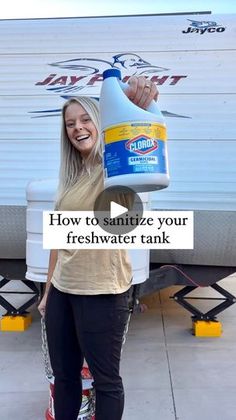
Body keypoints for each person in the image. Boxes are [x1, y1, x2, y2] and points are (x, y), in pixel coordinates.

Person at [38, 75, 158, 420]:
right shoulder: (72, 177)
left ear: (102, 122)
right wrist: (47, 292)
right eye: (70, 124)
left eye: (86, 119)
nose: (77, 128)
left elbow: (142, 153)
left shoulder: (114, 170)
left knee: (105, 381)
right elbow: (57, 241)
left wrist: (139, 106)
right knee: (64, 378)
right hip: (63, 290)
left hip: (103, 292)